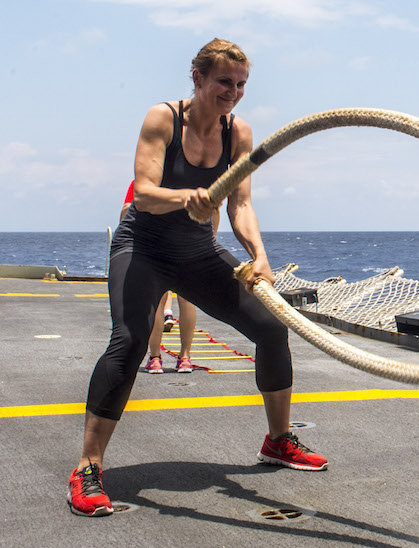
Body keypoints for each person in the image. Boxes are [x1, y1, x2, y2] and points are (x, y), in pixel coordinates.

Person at [68, 38, 327, 518]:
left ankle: (278, 441)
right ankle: (87, 467)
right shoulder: (162, 118)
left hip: (199, 254)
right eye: (224, 81)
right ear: (198, 78)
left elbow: (241, 204)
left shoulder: (239, 133)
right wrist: (185, 196)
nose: (233, 91)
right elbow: (143, 194)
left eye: (242, 84)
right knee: (127, 343)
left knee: (272, 327)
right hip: (143, 248)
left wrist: (260, 255)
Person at [121, 180, 216, 374]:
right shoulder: (193, 180)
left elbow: (126, 209)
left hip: (156, 247)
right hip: (190, 247)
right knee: (187, 301)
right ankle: (185, 357)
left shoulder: (147, 181)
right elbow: (214, 211)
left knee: (157, 304)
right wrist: (208, 241)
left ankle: (155, 358)